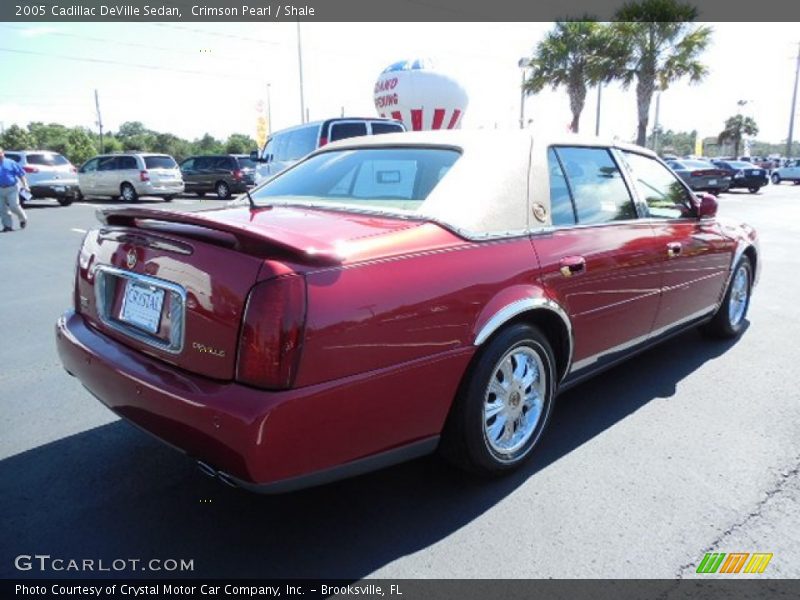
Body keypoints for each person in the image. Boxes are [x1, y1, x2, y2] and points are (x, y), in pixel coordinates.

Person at [0, 147, 29, 232]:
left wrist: (25, 185)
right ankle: (7, 226)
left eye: (0, 154)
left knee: (14, 206)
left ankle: (23, 218)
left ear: (3, 153)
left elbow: (21, 174)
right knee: (2, 209)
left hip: (12, 188)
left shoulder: (11, 163)